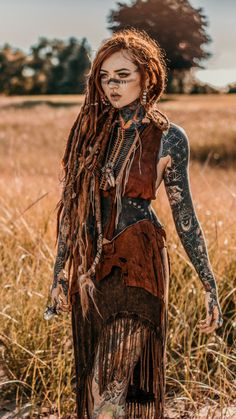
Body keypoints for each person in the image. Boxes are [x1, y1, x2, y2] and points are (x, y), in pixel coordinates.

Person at [44, 28, 223, 419]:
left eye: (122, 75)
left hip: (140, 265)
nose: (112, 85)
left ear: (148, 76)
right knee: (102, 390)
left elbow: (185, 217)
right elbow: (72, 208)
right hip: (91, 270)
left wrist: (209, 284)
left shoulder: (168, 137)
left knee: (106, 389)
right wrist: (59, 273)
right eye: (105, 76)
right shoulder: (90, 132)